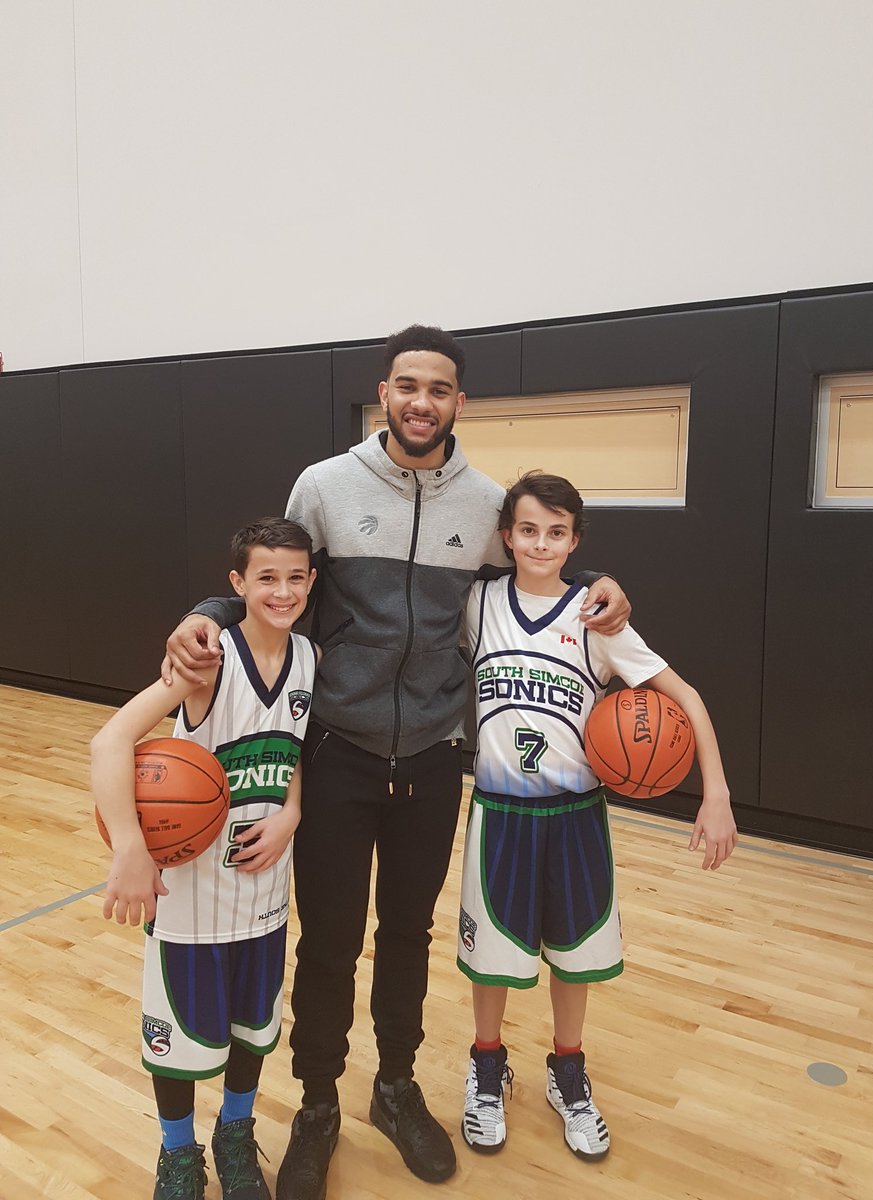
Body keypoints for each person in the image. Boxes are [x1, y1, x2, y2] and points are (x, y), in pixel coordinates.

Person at [162, 325, 633, 1200]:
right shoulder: (327, 486)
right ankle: (315, 1107)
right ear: (385, 392)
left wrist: (602, 586)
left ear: (461, 403)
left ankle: (395, 1086)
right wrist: (206, 611)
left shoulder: (486, 502)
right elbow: (276, 577)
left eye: (441, 389)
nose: (423, 401)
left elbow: (540, 569)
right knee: (332, 941)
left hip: (430, 757)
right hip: (336, 753)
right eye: (408, 385)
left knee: (407, 938)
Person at [457, 471, 737, 1161]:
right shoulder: (478, 602)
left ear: (575, 540)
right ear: (507, 535)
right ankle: (487, 1067)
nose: (540, 543)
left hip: (577, 814)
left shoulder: (597, 616)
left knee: (575, 960)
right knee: (492, 963)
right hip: (499, 812)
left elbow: (687, 695)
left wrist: (718, 792)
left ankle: (568, 1070)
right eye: (528, 530)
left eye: (556, 533)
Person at [92, 518, 319, 1200]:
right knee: (180, 1044)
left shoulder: (310, 659)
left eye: (295, 577)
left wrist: (293, 812)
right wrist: (130, 847)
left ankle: (236, 1134)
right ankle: (177, 1153)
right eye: (266, 577)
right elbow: (110, 742)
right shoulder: (207, 659)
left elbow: (298, 747)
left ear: (311, 581)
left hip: (265, 894)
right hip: (189, 899)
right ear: (237, 584)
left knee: (254, 1031)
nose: (282, 591)